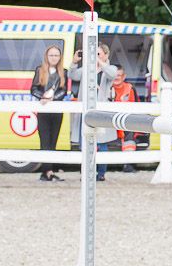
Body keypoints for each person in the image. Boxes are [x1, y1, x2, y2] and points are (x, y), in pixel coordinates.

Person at [68, 43, 117, 181]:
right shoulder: (87, 69)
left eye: (98, 53)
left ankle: (101, 174)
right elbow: (72, 75)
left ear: (106, 55)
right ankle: (86, 173)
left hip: (101, 111)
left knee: (101, 144)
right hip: (86, 112)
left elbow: (112, 74)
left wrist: (99, 62)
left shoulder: (109, 68)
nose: (95, 56)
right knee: (84, 142)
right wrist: (74, 62)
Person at [30, 45, 68, 182]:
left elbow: (63, 91)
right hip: (43, 111)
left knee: (53, 141)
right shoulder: (40, 70)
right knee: (44, 141)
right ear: (47, 56)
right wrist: (43, 98)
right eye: (51, 55)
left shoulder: (64, 71)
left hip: (57, 111)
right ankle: (47, 171)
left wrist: (53, 98)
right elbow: (33, 89)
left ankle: (48, 171)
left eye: (56, 55)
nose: (54, 58)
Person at [110, 65, 140, 173]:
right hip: (109, 120)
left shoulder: (130, 88)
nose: (117, 78)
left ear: (124, 76)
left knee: (129, 135)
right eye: (114, 75)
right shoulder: (106, 88)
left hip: (125, 120)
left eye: (119, 75)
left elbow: (136, 107)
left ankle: (128, 164)